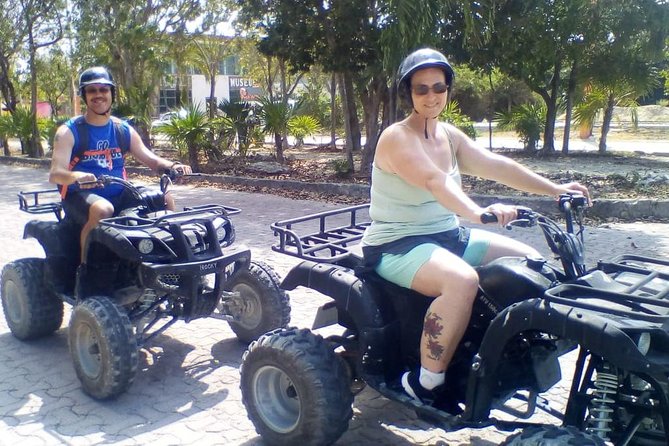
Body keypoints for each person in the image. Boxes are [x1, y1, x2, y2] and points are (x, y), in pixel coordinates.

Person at [360, 48, 591, 408]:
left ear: (448, 89)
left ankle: (507, 350)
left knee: (529, 262)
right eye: (421, 89)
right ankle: (426, 383)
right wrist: (478, 212)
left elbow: (496, 165)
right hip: (398, 244)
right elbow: (435, 181)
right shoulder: (396, 137)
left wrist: (556, 189)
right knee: (462, 280)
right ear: (408, 93)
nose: (431, 96)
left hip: (448, 236)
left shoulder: (449, 136)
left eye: (439, 87)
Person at [49, 66, 192, 262]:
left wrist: (173, 165)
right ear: (84, 95)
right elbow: (55, 173)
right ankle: (85, 269)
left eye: (103, 89)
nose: (98, 95)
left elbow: (151, 159)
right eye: (92, 90)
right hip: (78, 195)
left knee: (164, 198)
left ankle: (171, 259)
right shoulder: (69, 131)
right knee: (103, 209)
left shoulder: (121, 129)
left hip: (119, 191)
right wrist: (77, 176)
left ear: (111, 93)